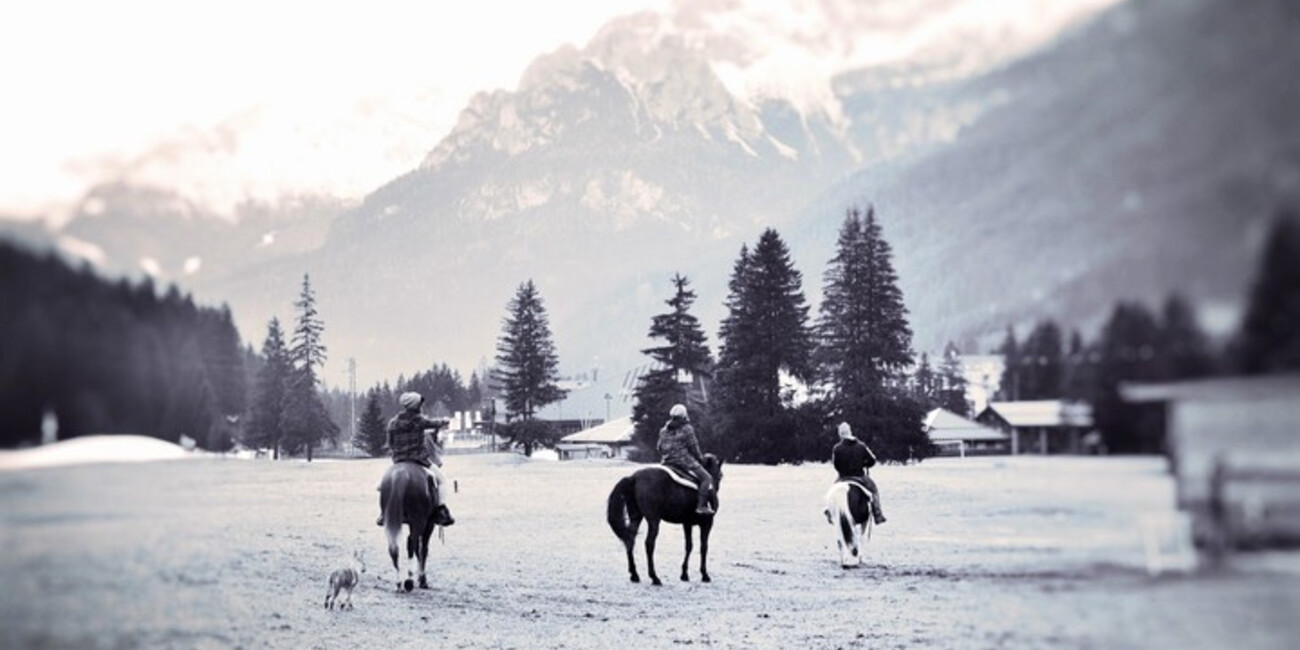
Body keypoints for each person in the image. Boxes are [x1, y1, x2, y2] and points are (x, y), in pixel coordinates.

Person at [377, 392, 455, 527]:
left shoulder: (392, 423)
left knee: (381, 485)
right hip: (419, 459)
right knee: (442, 481)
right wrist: (446, 421)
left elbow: (390, 444)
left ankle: (383, 513)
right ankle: (441, 510)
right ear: (416, 405)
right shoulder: (419, 420)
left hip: (399, 461)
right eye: (420, 404)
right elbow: (435, 423)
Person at [657, 403, 715, 515]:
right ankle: (701, 506)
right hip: (685, 462)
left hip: (667, 462)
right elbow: (694, 447)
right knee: (707, 478)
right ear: (684, 416)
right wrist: (700, 459)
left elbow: (659, 448)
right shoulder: (687, 429)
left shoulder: (663, 430)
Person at [831, 421, 886, 524]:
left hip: (843, 478)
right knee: (874, 490)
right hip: (860, 477)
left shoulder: (837, 448)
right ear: (850, 431)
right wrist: (864, 464)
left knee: (831, 492)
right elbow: (872, 460)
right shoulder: (861, 446)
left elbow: (836, 465)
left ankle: (829, 511)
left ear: (840, 434)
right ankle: (878, 515)